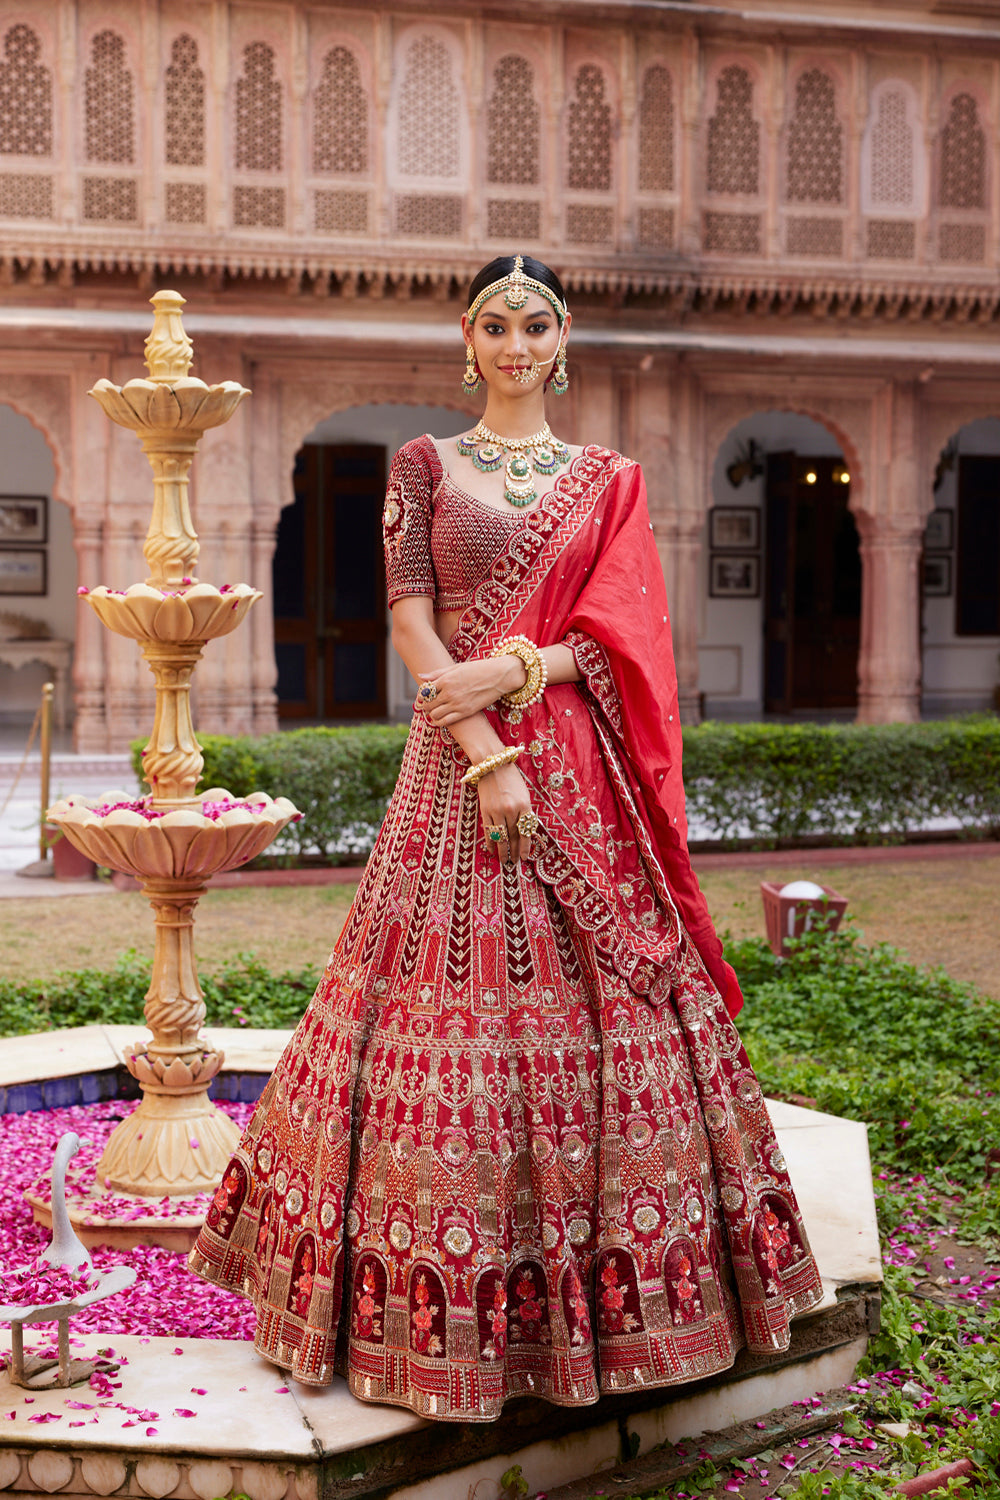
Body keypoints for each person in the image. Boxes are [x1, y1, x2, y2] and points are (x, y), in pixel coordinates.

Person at [189, 254, 823, 1421]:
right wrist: (486, 748)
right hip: (456, 772)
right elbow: (411, 617)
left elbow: (619, 638)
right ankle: (435, 1322)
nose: (517, 344)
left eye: (535, 323)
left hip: (582, 774)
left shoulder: (608, 478)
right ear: (465, 339)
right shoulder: (424, 466)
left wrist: (523, 663)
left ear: (562, 333)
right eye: (495, 324)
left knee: (615, 1009)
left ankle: (630, 1309)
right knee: (433, 1004)